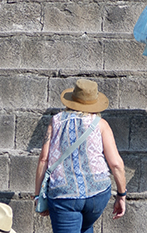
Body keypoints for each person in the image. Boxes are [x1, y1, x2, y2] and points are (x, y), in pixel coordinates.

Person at [34, 77, 127, 233]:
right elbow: (116, 163)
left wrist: (37, 195)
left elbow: (43, 159)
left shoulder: (55, 121)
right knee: (85, 227)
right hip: (97, 193)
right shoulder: (100, 124)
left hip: (64, 194)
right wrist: (121, 195)